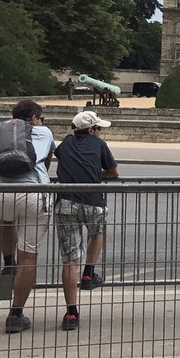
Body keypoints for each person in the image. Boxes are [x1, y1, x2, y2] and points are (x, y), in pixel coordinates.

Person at [0, 100, 56, 334]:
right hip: (32, 193)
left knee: (6, 220)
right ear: (35, 118)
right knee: (28, 257)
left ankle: (8, 263)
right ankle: (15, 314)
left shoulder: (0, 129)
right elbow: (47, 159)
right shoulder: (43, 132)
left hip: (0, 193)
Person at [52, 110, 119, 331]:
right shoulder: (98, 145)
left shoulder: (65, 144)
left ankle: (71, 314)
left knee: (70, 259)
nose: (99, 132)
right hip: (92, 199)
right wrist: (96, 175)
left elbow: (61, 171)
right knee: (97, 232)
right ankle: (89, 272)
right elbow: (114, 172)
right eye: (98, 129)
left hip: (66, 201)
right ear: (91, 130)